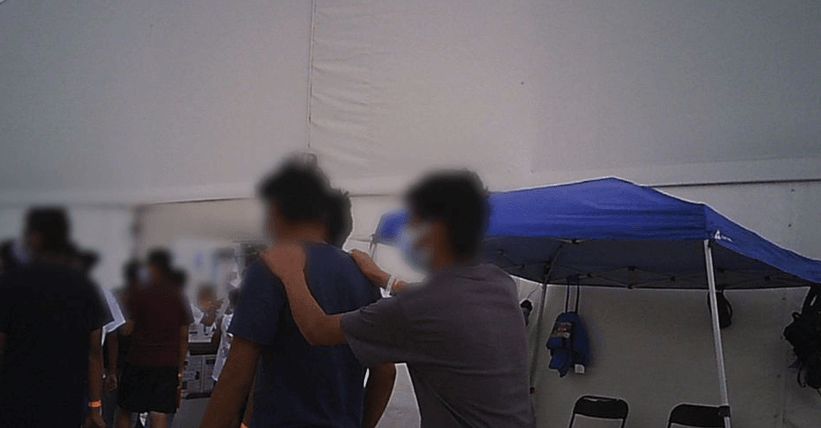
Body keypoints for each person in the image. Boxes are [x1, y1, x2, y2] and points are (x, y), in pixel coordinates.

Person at [264, 170, 536, 428]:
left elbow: (317, 330)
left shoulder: (416, 309)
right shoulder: (499, 283)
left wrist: (291, 272)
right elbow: (446, 307)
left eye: (414, 222)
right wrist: (386, 279)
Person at [200, 157, 395, 428]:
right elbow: (384, 373)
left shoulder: (272, 267)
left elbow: (237, 377)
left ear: (276, 209)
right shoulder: (362, 274)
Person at [0, 207, 109, 428]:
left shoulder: (12, 284)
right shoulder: (84, 287)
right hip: (66, 403)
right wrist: (95, 407)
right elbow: (94, 350)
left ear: (35, 237)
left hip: (18, 401)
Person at [116, 249, 192, 428]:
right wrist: (180, 368)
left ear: (153, 268)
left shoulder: (140, 293)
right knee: (159, 413)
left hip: (139, 360)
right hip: (167, 364)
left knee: (126, 409)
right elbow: (184, 336)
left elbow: (129, 328)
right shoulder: (178, 296)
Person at [80, 251, 128, 428]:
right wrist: (112, 372)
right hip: (88, 371)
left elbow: (110, 336)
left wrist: (111, 371)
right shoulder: (101, 292)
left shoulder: (101, 292)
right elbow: (110, 338)